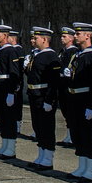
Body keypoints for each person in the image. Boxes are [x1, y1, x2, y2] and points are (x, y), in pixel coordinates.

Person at [63, 23, 92, 181]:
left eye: (79, 33)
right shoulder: (78, 54)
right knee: (76, 132)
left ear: (88, 36)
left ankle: (91, 168)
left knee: (87, 134)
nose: (76, 36)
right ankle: (82, 165)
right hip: (74, 98)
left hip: (85, 99)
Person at [24, 27, 61, 170]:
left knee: (46, 128)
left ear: (44, 39)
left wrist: (49, 100)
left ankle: (48, 158)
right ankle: (41, 155)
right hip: (34, 95)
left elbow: (54, 81)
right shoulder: (36, 55)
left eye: (35, 38)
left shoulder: (50, 56)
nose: (32, 40)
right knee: (37, 127)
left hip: (43, 96)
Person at [0, 25, 22, 159]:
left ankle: (11, 148)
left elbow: (14, 73)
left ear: (6, 36)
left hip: (6, 87)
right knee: (1, 118)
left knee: (9, 118)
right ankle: (4, 144)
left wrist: (11, 91)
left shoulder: (11, 51)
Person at [58, 27, 79, 146]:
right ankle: (69, 134)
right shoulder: (63, 51)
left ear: (71, 38)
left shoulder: (73, 51)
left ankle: (72, 136)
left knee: (71, 112)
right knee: (65, 110)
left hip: (68, 84)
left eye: (64, 37)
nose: (62, 38)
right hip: (62, 83)